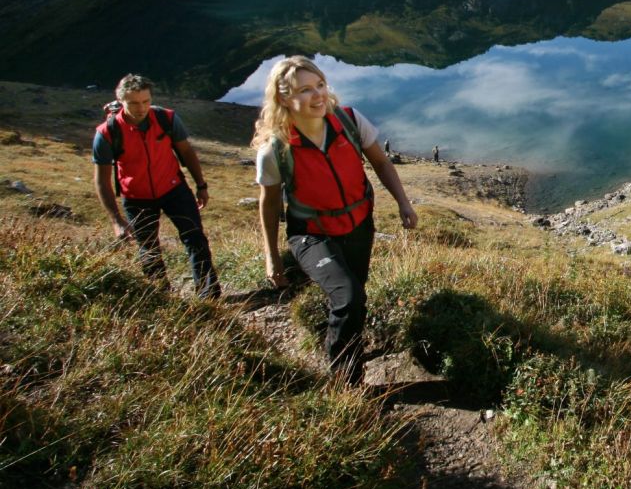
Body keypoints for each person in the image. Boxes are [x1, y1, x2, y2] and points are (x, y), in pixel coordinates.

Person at [252, 56, 418, 384]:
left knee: (354, 296)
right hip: (311, 234)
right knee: (349, 297)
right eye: (304, 90)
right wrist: (272, 255)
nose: (318, 96)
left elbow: (382, 164)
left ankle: (345, 346)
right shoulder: (275, 150)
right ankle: (344, 383)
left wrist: (403, 203)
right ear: (284, 99)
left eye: (320, 86)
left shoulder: (350, 121)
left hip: (358, 224)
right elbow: (269, 205)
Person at [92, 73, 222, 298]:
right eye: (133, 103)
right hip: (136, 197)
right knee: (148, 249)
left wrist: (201, 185)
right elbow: (101, 180)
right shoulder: (107, 133)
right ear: (121, 101)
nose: (141, 108)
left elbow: (186, 152)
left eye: (146, 101)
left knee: (195, 238)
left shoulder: (166, 119)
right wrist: (116, 220)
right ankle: (162, 297)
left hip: (173, 189)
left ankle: (209, 295)